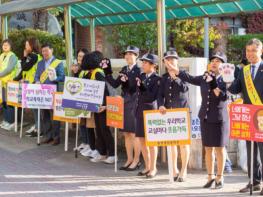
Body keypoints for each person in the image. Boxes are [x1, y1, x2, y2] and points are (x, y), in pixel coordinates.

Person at [169, 52, 228, 189]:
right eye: (212, 60)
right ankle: (210, 175)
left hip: (219, 118)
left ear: (223, 64)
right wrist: (176, 70)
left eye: (218, 61)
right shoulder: (204, 77)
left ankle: (220, 177)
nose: (214, 63)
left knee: (219, 149)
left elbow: (223, 97)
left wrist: (213, 84)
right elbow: (190, 78)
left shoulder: (226, 79)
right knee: (208, 148)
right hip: (205, 117)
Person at [228, 38, 263, 195]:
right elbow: (235, 89)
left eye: (253, 51)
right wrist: (227, 79)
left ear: (260, 51)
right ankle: (253, 181)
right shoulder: (244, 70)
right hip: (249, 116)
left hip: (262, 116)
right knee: (251, 151)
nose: (250, 54)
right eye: (248, 51)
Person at [102, 46, 142, 171]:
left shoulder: (140, 70)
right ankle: (129, 159)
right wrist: (107, 70)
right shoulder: (124, 69)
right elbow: (114, 83)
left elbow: (138, 89)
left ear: (136, 56)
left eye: (131, 54)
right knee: (126, 133)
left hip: (134, 103)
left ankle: (137, 160)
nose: (128, 56)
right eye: (126, 54)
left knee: (134, 133)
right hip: (124, 103)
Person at [158, 49, 190, 182]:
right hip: (168, 114)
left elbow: (185, 89)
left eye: (173, 59)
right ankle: (174, 169)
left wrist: (175, 76)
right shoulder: (163, 78)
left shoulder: (184, 75)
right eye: (168, 59)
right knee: (171, 144)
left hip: (182, 113)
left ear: (177, 60)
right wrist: (160, 104)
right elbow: (160, 95)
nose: (170, 61)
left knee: (183, 144)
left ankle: (184, 170)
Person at [81, 51, 115, 164]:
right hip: (97, 106)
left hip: (102, 106)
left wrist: (105, 105)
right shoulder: (93, 73)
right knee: (99, 131)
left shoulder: (98, 73)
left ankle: (112, 154)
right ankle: (102, 153)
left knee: (104, 131)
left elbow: (105, 89)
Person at [135, 53, 160, 178]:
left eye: (145, 62)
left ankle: (153, 168)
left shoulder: (157, 79)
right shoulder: (141, 76)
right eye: (143, 62)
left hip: (150, 112)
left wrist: (142, 87)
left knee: (151, 142)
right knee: (141, 139)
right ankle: (147, 166)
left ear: (153, 65)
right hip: (140, 111)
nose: (143, 64)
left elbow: (152, 97)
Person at [35, 43, 65, 146]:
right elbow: (37, 76)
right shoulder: (40, 63)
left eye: (46, 50)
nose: (45, 53)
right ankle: (48, 136)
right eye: (43, 51)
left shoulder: (58, 63)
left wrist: (55, 78)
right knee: (45, 115)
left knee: (55, 116)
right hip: (43, 93)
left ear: (51, 50)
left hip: (53, 93)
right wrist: (37, 81)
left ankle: (56, 138)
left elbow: (63, 77)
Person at [14, 38, 42, 137]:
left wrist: (24, 57)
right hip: (30, 84)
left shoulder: (33, 56)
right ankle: (37, 127)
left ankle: (39, 129)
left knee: (36, 108)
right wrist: (16, 79)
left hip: (34, 84)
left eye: (27, 45)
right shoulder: (31, 56)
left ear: (32, 45)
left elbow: (25, 67)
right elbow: (23, 71)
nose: (25, 47)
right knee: (34, 108)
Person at [0, 39, 18, 131]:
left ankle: (11, 122)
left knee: (9, 102)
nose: (5, 46)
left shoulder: (13, 56)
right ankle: (6, 120)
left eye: (7, 45)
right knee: (4, 102)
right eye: (3, 45)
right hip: (2, 82)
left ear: (11, 46)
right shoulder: (2, 55)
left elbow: (9, 69)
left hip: (10, 82)